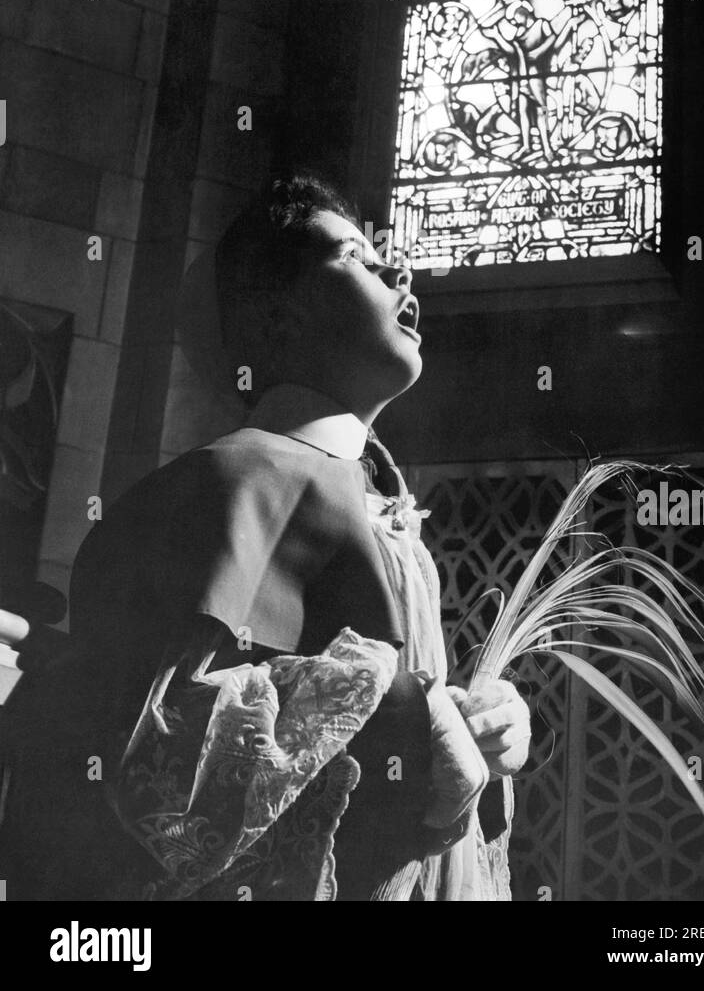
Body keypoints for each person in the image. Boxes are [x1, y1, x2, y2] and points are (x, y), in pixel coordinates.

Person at [0, 174, 531, 901]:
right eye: (354, 256)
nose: (398, 269)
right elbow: (155, 748)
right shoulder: (238, 477)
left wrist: (486, 727)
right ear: (279, 318)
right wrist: (420, 716)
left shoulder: (377, 501)